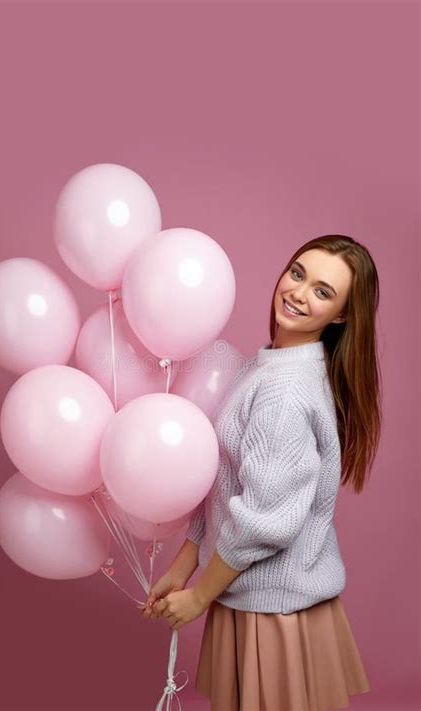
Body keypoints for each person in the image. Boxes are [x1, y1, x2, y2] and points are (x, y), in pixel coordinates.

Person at [140, 234, 378, 711]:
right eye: (297, 273)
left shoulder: (283, 391)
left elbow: (263, 520)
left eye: (323, 291)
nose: (298, 292)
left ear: (342, 316)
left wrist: (199, 597)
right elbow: (228, 484)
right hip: (251, 595)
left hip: (271, 611)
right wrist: (184, 565)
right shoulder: (269, 364)